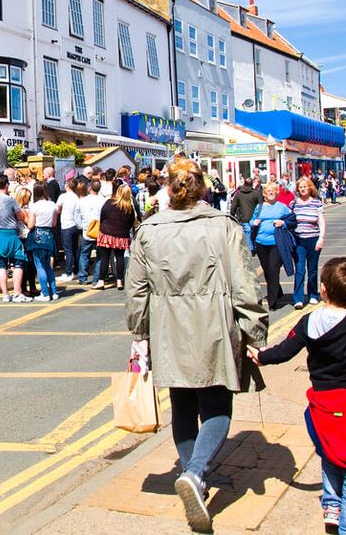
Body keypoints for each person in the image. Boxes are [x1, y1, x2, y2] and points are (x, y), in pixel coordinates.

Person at [126, 158, 267, 534]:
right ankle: (196, 474)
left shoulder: (149, 230)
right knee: (218, 405)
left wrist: (139, 334)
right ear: (203, 187)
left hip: (167, 327)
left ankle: (194, 475)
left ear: (169, 189)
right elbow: (246, 284)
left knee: (183, 404)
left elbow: (136, 290)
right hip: (215, 324)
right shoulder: (224, 227)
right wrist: (254, 332)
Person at [249, 258, 346, 534]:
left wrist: (261, 356)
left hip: (322, 404)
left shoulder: (309, 322)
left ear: (324, 289)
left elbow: (285, 351)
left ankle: (332, 505)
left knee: (329, 452)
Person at [0, 175, 29, 302]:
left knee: (1, 265)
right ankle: (17, 293)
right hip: (11, 234)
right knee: (18, 263)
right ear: (7, 185)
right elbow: (20, 216)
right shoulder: (10, 200)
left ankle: (5, 294)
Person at [251, 182, 292, 310]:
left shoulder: (282, 207)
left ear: (277, 193)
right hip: (261, 242)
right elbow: (251, 220)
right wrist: (254, 222)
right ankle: (277, 290)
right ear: (264, 194)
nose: (270, 192)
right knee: (267, 271)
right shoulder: (259, 207)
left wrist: (283, 223)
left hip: (276, 243)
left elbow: (292, 220)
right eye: (268, 191)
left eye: (273, 190)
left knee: (273, 270)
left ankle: (272, 302)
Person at [290, 178, 326, 309]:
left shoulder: (316, 203)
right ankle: (298, 298)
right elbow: (290, 221)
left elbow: (321, 221)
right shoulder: (293, 204)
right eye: (300, 187)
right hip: (299, 240)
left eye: (305, 186)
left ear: (310, 188)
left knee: (312, 269)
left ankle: (313, 295)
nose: (302, 189)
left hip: (313, 239)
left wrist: (321, 238)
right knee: (299, 270)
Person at [97, 182, 136, 291]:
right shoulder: (129, 207)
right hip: (122, 235)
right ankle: (119, 281)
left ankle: (101, 281)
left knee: (105, 258)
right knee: (120, 257)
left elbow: (102, 216)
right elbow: (131, 222)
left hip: (107, 233)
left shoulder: (109, 203)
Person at [26, 184, 59, 300]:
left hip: (37, 235)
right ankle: (54, 292)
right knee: (48, 266)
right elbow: (54, 224)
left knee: (39, 266)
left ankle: (45, 293)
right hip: (49, 235)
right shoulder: (52, 204)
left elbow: (30, 225)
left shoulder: (34, 206)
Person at [75, 179, 104, 285]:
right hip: (100, 231)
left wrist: (80, 226)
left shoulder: (82, 201)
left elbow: (76, 215)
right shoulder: (103, 200)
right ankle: (96, 279)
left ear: (90, 188)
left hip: (86, 231)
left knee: (84, 254)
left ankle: (82, 277)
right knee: (100, 256)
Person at [56, 178, 81, 282]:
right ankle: (76, 270)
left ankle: (68, 272)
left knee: (68, 250)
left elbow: (57, 209)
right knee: (75, 249)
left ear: (67, 186)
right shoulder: (77, 197)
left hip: (66, 225)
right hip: (75, 225)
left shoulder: (63, 196)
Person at [231, 176, 262, 248]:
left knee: (247, 233)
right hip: (254, 218)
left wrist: (232, 215)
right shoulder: (256, 193)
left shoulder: (238, 193)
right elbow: (261, 205)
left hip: (243, 218)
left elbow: (233, 206)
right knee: (253, 233)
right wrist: (259, 216)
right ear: (252, 184)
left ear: (244, 183)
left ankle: (250, 249)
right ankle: (253, 248)